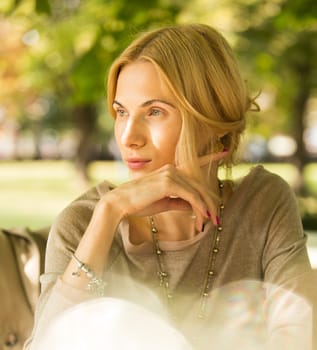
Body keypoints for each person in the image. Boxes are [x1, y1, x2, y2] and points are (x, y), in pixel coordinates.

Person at [24, 23, 315, 350]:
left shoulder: (264, 203)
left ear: (212, 122)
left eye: (155, 112)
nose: (128, 137)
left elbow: (301, 334)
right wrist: (109, 214)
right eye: (121, 112)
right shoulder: (83, 223)